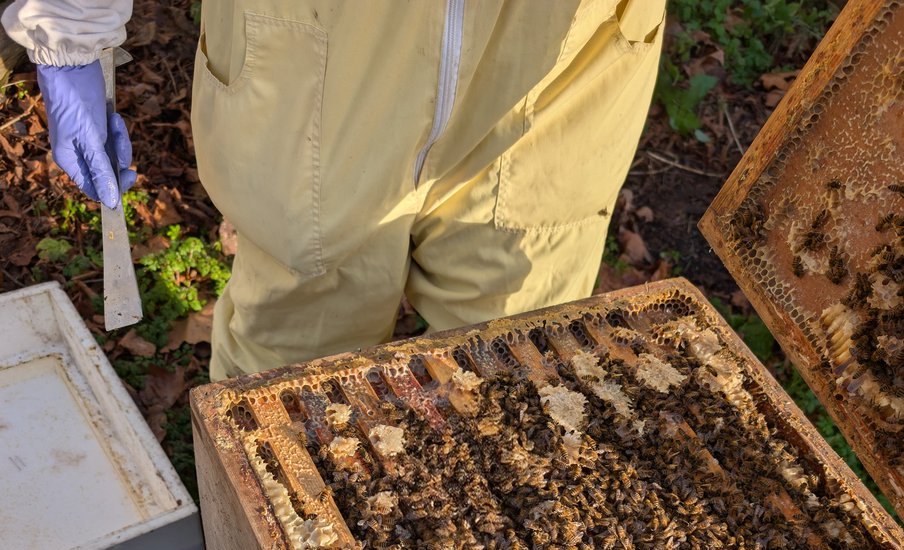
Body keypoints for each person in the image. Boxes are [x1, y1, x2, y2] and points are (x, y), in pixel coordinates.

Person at [3, 0, 664, 382]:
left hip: (557, 44)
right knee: (297, 334)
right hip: (321, 34)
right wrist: (69, 30)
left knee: (519, 336)